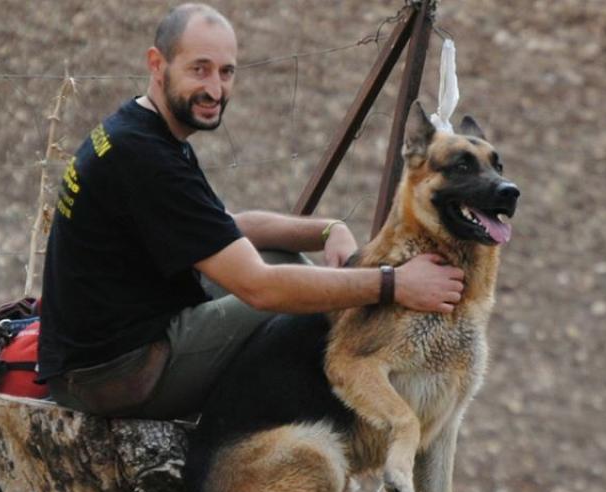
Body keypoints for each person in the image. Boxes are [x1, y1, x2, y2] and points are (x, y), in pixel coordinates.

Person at [37, 3, 465, 421]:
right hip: (114, 376)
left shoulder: (141, 128)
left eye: (226, 72)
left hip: (98, 354)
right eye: (199, 69)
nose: (215, 89)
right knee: (309, 308)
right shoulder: (146, 158)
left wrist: (325, 230)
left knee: (285, 261)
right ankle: (274, 443)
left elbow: (226, 226)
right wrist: (395, 284)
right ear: (157, 63)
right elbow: (261, 289)